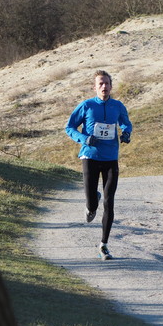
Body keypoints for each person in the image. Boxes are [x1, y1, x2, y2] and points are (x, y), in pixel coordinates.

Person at [65, 70, 132, 260]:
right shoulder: (86, 106)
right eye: (100, 84)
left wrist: (126, 133)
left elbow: (126, 123)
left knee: (109, 202)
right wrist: (84, 139)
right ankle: (91, 200)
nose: (104, 87)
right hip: (90, 157)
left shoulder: (117, 106)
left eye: (107, 83)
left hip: (111, 158)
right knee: (92, 205)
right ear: (94, 87)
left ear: (111, 86)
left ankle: (104, 245)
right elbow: (69, 127)